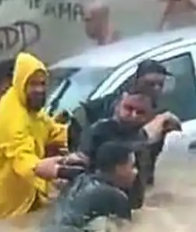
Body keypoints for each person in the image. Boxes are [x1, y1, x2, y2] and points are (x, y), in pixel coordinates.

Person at [0, 52, 74, 221]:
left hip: (28, 201)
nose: (39, 90)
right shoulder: (9, 115)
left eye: (42, 84)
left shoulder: (33, 112)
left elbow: (52, 131)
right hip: (1, 212)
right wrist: (60, 171)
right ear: (20, 83)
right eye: (33, 84)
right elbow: (23, 159)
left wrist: (84, 134)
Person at [65, 59, 174, 188]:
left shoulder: (158, 117)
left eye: (160, 85)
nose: (156, 89)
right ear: (136, 81)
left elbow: (149, 164)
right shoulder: (109, 112)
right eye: (150, 84)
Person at [71, 89, 180, 209]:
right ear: (117, 107)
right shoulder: (99, 131)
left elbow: (146, 177)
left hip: (130, 205)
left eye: (140, 112)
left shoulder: (147, 140)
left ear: (149, 116)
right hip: (101, 204)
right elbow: (79, 165)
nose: (133, 115)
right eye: (128, 108)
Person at [34, 141, 138, 232]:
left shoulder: (78, 179)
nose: (136, 171)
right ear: (119, 168)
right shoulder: (117, 197)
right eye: (132, 166)